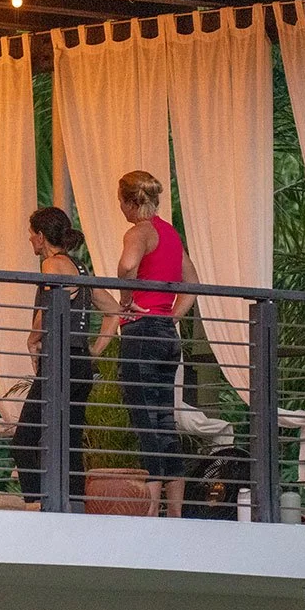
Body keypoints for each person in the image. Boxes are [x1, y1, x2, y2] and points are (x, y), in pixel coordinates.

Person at [14, 207, 116, 507]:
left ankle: (36, 504)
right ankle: (74, 508)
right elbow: (113, 311)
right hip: (79, 361)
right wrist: (92, 350)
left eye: (32, 234)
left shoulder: (51, 265)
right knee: (69, 441)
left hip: (58, 362)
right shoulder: (80, 268)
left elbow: (48, 309)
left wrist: (32, 341)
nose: (30, 239)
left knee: (25, 439)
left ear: (41, 236)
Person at [113, 169, 200, 517]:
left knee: (146, 421)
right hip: (166, 334)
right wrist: (172, 315)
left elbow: (127, 265)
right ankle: (175, 514)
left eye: (120, 202)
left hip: (141, 333)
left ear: (131, 202)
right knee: (165, 421)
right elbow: (191, 282)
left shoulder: (140, 232)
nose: (120, 209)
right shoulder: (169, 234)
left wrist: (127, 299)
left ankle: (149, 516)